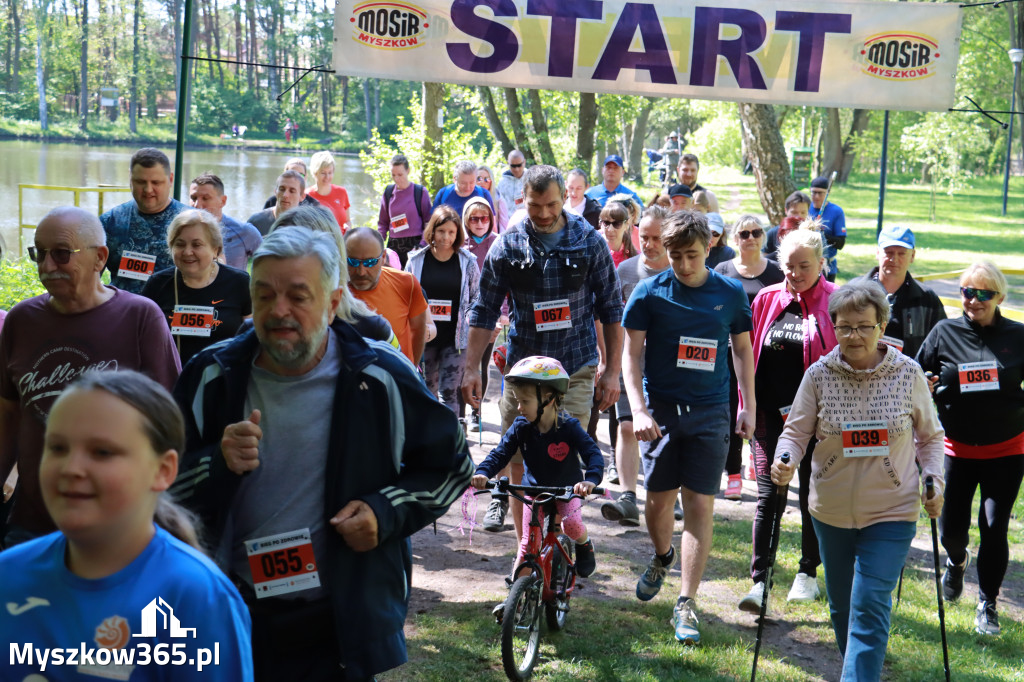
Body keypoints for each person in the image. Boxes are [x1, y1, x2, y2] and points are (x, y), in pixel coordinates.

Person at [170, 226, 473, 680]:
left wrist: (383, 511)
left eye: (298, 295)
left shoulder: (379, 376)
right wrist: (216, 462)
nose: (279, 311)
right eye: (264, 294)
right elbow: (156, 484)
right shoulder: (210, 377)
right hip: (227, 617)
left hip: (336, 624)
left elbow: (452, 465)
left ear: (333, 304)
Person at [0, 370, 253, 680]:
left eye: (102, 452)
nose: (71, 468)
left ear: (163, 470)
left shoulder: (198, 597)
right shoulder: (8, 575)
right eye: (57, 448)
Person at [772, 279, 944, 679]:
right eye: (844, 326)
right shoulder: (818, 375)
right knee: (843, 608)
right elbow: (795, 433)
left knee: (869, 604)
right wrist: (784, 460)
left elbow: (930, 437)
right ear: (832, 327)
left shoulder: (907, 373)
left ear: (882, 327)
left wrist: (933, 477)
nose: (854, 335)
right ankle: (860, 668)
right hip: (830, 511)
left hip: (892, 510)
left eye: (864, 326)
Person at [0, 207, 180, 546]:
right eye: (39, 253)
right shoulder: (22, 320)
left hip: (116, 526)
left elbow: (169, 417)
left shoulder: (139, 317)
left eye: (61, 254)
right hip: (32, 523)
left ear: (100, 258)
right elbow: (9, 412)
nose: (46, 266)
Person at [463, 165, 623, 540]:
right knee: (519, 462)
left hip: (576, 367)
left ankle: (563, 543)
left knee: (563, 456)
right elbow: (484, 309)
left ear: (565, 198)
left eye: (552, 204)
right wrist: (472, 367)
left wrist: (612, 371)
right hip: (524, 372)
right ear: (523, 201)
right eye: (536, 206)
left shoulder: (589, 240)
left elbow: (612, 309)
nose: (545, 214)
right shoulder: (508, 244)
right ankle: (528, 554)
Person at [623, 210, 755, 645]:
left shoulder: (731, 294)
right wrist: (639, 410)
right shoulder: (648, 293)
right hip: (660, 410)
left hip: (711, 410)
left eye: (692, 256)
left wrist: (747, 405)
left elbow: (741, 350)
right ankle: (662, 556)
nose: (683, 265)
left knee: (699, 503)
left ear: (709, 249)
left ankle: (686, 601)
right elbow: (631, 355)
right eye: (675, 255)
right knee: (659, 504)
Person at [916, 261, 1024, 636]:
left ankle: (988, 603)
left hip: (1006, 449)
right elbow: (917, 374)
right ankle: (957, 561)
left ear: (999, 297)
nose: (973, 300)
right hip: (957, 450)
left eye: (983, 294)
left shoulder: (1018, 335)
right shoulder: (944, 331)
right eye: (967, 292)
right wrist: (926, 384)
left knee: (994, 528)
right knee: (952, 532)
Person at [739, 227, 836, 611]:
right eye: (789, 266)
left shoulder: (835, 299)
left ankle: (807, 574)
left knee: (814, 496)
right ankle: (760, 582)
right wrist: (745, 406)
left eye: (804, 266)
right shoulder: (766, 298)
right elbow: (746, 356)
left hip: (819, 420)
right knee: (768, 497)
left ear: (821, 263)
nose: (794, 274)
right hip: (769, 415)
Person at [471, 356, 602, 592]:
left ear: (550, 399)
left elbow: (593, 454)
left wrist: (590, 480)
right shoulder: (521, 427)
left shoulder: (569, 426)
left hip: (567, 491)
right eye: (517, 401)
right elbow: (500, 454)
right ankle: (516, 593)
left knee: (571, 524)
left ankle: (584, 544)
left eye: (525, 401)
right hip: (534, 492)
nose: (519, 407)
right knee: (528, 544)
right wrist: (483, 472)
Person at [600, 205, 670, 527]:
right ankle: (628, 496)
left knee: (667, 432)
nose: (651, 244)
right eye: (645, 237)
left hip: (670, 370)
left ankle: (670, 493)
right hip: (631, 366)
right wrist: (607, 361)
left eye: (658, 238)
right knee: (627, 426)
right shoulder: (625, 271)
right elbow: (608, 319)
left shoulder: (680, 273)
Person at [714, 215, 784, 501]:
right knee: (733, 411)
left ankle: (758, 462)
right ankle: (733, 473)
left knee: (763, 410)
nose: (751, 238)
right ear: (735, 239)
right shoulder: (723, 270)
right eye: (744, 233)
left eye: (756, 232)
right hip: (731, 355)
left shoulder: (776, 272)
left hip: (767, 356)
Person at [141, 209, 252, 366]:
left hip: (222, 380)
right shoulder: (157, 284)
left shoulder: (239, 282)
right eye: (179, 244)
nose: (187, 252)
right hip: (174, 383)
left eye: (196, 244)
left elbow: (251, 337)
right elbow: (141, 340)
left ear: (216, 249)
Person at [404, 206, 481, 412]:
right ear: (432, 231)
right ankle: (426, 440)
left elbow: (477, 297)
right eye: (441, 231)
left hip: (455, 340)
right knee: (426, 393)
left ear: (457, 234)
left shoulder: (468, 262)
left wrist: (470, 318)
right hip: (423, 337)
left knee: (449, 394)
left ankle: (450, 440)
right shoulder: (415, 260)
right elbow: (405, 295)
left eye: (451, 232)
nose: (446, 237)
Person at [101, 147, 186, 294]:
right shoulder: (109, 222)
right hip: (124, 312)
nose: (148, 189)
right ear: (130, 178)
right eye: (141, 182)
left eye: (156, 182)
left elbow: (215, 275)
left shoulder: (194, 223)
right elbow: (87, 277)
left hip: (171, 313)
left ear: (170, 179)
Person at [346, 227, 429, 366]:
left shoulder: (406, 283)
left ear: (383, 257)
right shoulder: (334, 290)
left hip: (398, 379)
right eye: (353, 262)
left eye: (370, 262)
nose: (361, 271)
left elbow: (418, 330)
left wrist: (412, 369)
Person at [864, 225, 946, 357]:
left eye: (901, 253)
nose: (894, 259)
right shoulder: (856, 293)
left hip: (910, 376)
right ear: (878, 253)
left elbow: (941, 344)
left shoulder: (927, 300)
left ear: (912, 256)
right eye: (888, 252)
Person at [461, 197, 505, 430]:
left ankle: (476, 411)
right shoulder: (460, 244)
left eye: (484, 218)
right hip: (464, 315)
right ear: (467, 221)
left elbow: (506, 282)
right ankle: (459, 412)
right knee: (463, 363)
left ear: (491, 219)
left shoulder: (498, 243)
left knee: (482, 363)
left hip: (491, 315)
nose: (479, 223)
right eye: (474, 219)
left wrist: (503, 315)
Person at [188, 172, 263, 270]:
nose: (197, 205)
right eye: (193, 198)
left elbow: (268, 263)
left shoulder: (244, 231)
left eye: (205, 198)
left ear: (223, 201)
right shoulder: (183, 231)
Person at [377, 154, 433, 267]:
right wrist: (377, 243)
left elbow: (429, 223)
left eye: (400, 174)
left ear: (408, 171)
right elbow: (383, 223)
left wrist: (422, 245)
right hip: (393, 247)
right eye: (393, 175)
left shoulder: (420, 192)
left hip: (415, 246)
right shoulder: (388, 193)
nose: (397, 178)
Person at [808, 175, 847, 281]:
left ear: (827, 193)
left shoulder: (836, 211)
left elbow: (840, 243)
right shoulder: (805, 208)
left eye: (820, 193)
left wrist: (821, 234)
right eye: (813, 192)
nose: (816, 196)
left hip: (828, 267)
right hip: (807, 265)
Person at [247, 170, 307, 236]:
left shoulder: (308, 226)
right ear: (275, 191)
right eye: (282, 189)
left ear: (302, 196)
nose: (285, 195)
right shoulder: (256, 222)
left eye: (292, 191)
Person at [305, 151, 352, 231]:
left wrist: (348, 228)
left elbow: (348, 221)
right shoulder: (306, 195)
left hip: (341, 241)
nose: (327, 177)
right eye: (323, 173)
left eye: (330, 173)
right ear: (315, 173)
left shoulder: (342, 192)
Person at [763, 191, 810, 260]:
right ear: (786, 211)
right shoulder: (773, 233)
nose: (798, 217)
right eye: (794, 212)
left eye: (803, 213)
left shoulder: (815, 234)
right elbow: (764, 260)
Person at [598, 200, 637, 268]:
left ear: (627, 225)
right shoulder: (590, 250)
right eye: (606, 223)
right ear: (600, 223)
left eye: (617, 224)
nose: (610, 229)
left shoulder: (635, 258)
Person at [475, 163, 509, 232]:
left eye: (486, 179)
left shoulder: (498, 199)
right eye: (479, 178)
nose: (482, 182)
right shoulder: (468, 198)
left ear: (491, 181)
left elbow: (504, 226)